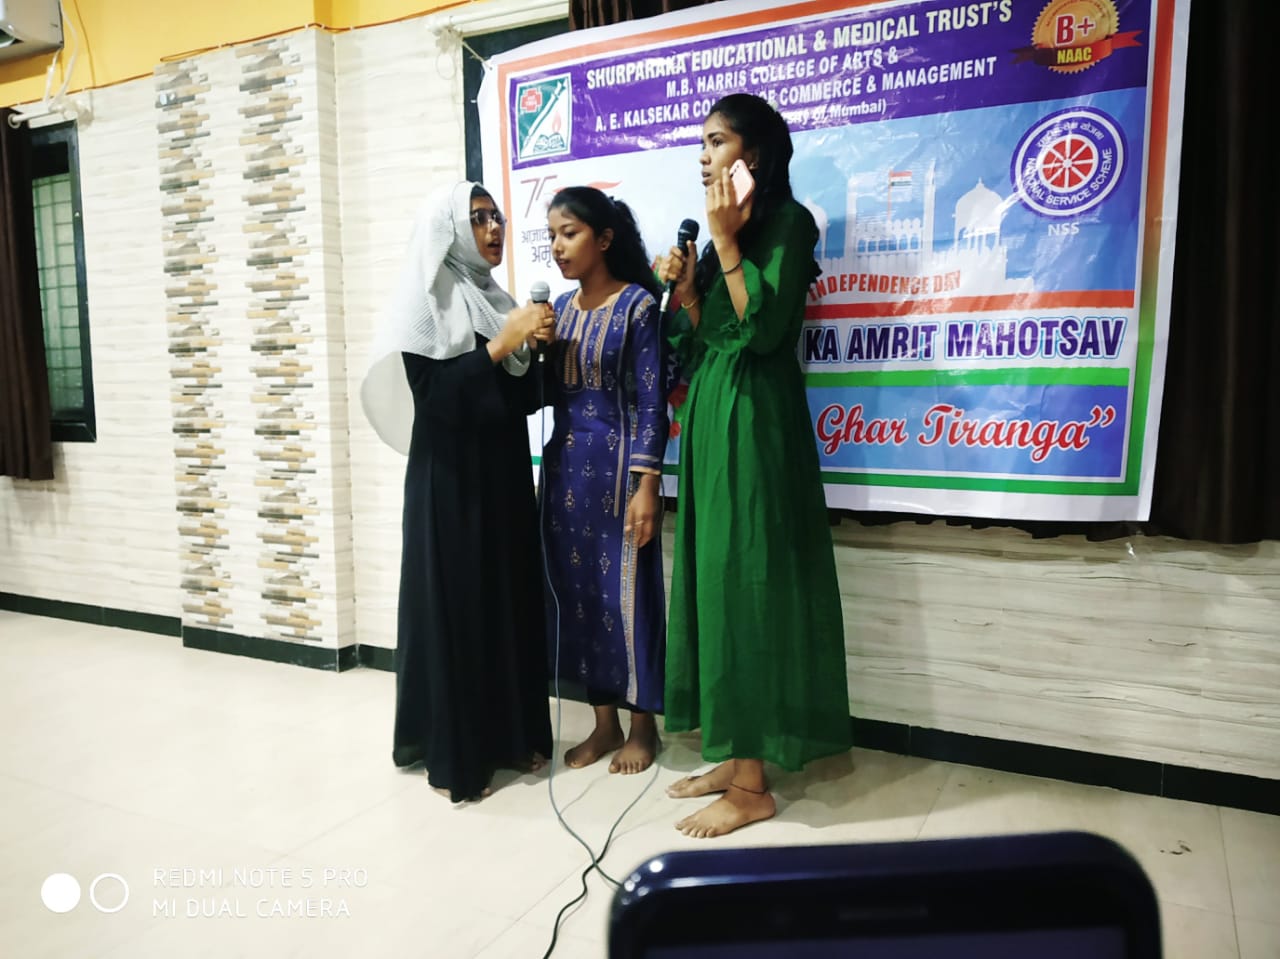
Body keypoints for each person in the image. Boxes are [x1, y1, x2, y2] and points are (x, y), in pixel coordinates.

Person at [655, 94, 852, 837]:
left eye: (716, 142)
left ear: (756, 154)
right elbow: (706, 336)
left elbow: (765, 332)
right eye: (700, 145)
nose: (704, 156)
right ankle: (735, 753)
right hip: (712, 415)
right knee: (713, 583)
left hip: (756, 422)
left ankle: (751, 788)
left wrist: (726, 242)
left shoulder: (789, 224)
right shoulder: (723, 236)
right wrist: (687, 289)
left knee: (746, 586)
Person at [361, 181, 556, 803]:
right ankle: (460, 754)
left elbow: (520, 399)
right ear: (448, 229)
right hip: (449, 481)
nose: (493, 228)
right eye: (478, 218)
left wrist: (536, 352)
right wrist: (503, 344)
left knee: (506, 598)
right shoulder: (424, 303)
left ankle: (512, 735)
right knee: (461, 606)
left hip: (502, 473)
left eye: (496, 217)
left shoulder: (493, 299)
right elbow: (438, 398)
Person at [540, 187, 669, 774]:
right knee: (581, 597)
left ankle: (643, 726)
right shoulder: (558, 311)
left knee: (629, 597)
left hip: (620, 475)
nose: (558, 246)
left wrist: (648, 485)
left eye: (569, 233)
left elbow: (652, 402)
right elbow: (547, 392)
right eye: (552, 235)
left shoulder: (638, 306)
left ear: (605, 238)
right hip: (565, 472)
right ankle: (603, 723)